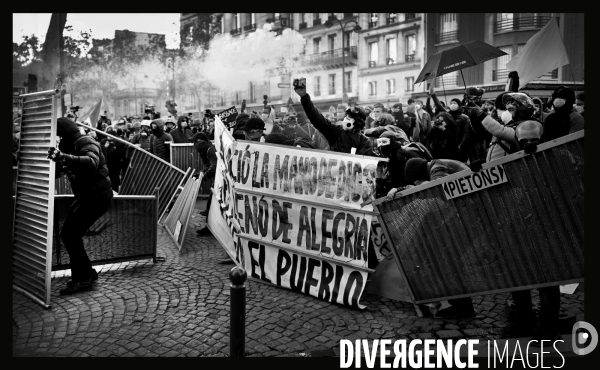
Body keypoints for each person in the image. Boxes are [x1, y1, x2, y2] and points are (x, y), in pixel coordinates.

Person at [47, 117, 113, 295]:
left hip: (96, 197)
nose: (58, 139)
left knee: (70, 235)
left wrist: (63, 157)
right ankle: (87, 274)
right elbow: (65, 168)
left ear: (64, 133)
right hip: (87, 197)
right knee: (69, 235)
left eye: (58, 135)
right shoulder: (70, 146)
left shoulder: (85, 141)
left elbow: (91, 162)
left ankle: (82, 278)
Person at [296, 84, 374, 156]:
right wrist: (305, 98)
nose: (346, 118)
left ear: (358, 122)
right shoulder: (336, 131)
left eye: (350, 117)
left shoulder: (364, 142)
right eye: (346, 116)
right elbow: (317, 119)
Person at [100, 126, 126, 192]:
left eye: (111, 135)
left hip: (115, 164)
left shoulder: (119, 142)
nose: (109, 137)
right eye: (108, 135)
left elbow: (122, 152)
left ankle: (115, 191)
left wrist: (115, 149)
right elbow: (100, 152)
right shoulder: (103, 142)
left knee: (115, 180)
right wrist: (105, 147)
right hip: (106, 164)